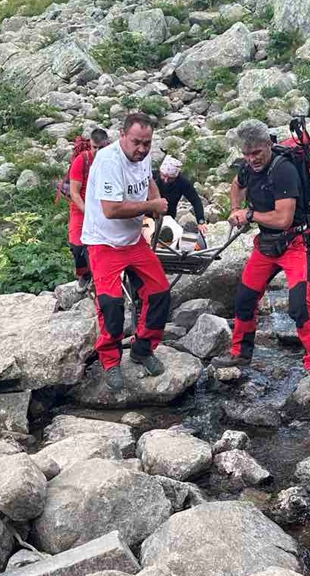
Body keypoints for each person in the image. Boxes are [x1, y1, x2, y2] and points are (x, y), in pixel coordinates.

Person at [213, 119, 310, 389]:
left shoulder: (284, 169)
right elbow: (236, 186)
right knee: (244, 299)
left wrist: (250, 214)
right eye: (246, 154)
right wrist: (234, 209)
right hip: (265, 244)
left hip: (294, 243)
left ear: (269, 145)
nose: (251, 159)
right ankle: (240, 354)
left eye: (257, 153)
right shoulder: (247, 167)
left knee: (299, 306)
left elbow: (283, 219)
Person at [82, 113, 172, 392]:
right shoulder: (109, 160)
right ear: (122, 135)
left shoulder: (141, 156)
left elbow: (147, 182)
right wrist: (152, 207)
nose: (142, 149)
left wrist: (154, 200)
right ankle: (110, 361)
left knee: (160, 292)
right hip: (103, 242)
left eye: (147, 143)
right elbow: (111, 209)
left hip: (132, 240)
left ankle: (142, 348)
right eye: (136, 142)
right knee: (111, 305)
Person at [66, 128, 110, 290]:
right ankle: (85, 274)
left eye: (102, 148)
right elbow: (74, 193)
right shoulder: (81, 161)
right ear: (90, 146)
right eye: (94, 148)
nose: (98, 152)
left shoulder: (112, 162)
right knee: (77, 245)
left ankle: (103, 275)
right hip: (81, 208)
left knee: (105, 246)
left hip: (105, 208)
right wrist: (89, 212)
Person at [155, 156, 208, 244]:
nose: (166, 180)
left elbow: (195, 200)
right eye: (164, 176)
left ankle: (184, 244)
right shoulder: (152, 177)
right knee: (150, 231)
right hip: (148, 215)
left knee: (173, 232)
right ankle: (159, 242)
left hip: (168, 217)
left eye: (170, 178)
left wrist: (201, 221)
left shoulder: (182, 182)